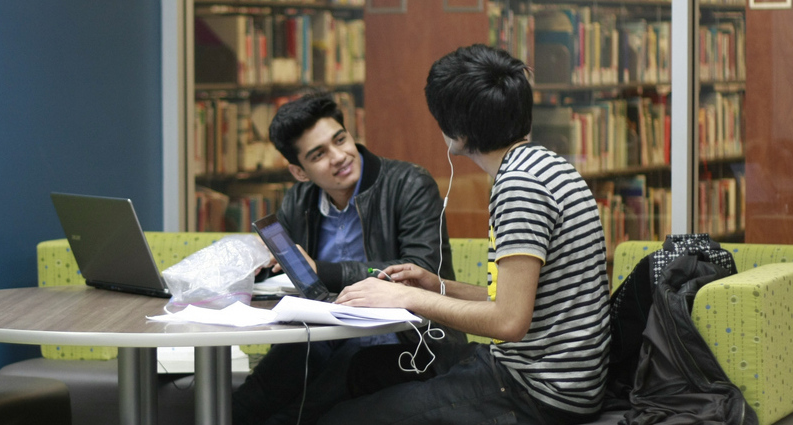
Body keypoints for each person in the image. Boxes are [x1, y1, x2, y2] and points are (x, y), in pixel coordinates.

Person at [324, 44, 611, 424]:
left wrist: (404, 295)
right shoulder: (545, 166)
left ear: (456, 130)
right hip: (555, 379)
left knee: (342, 418)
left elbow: (509, 322)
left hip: (537, 392)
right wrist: (437, 286)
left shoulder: (519, 187)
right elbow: (528, 302)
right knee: (367, 370)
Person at [232, 91, 463, 425]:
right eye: (319, 154)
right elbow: (289, 272)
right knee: (258, 392)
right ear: (299, 171)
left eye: (340, 139)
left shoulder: (410, 184)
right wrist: (260, 268)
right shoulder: (300, 200)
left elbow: (420, 271)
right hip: (325, 332)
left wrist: (323, 271)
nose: (339, 156)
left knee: (299, 409)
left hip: (407, 340)